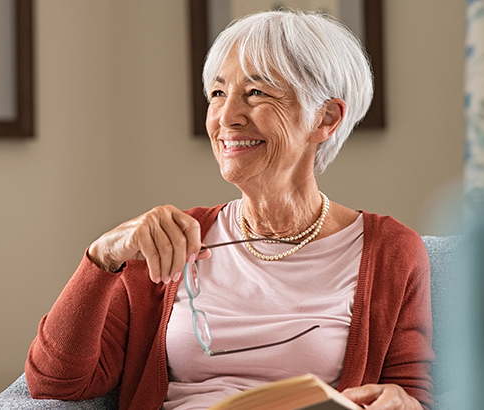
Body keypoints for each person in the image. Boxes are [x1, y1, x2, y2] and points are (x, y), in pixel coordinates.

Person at [26, 9, 433, 410]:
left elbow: (411, 394)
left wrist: (402, 403)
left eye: (256, 93)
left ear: (325, 118)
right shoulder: (169, 240)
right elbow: (54, 381)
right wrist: (103, 257)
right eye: (218, 93)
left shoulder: (391, 252)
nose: (226, 117)